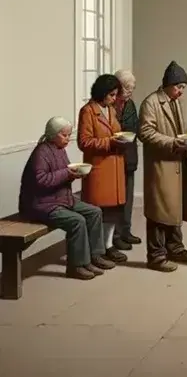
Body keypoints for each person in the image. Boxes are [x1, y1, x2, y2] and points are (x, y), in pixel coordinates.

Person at [19, 117, 115, 280]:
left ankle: (95, 255)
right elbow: (41, 181)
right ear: (53, 134)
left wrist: (73, 175)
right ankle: (76, 266)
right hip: (41, 204)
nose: (68, 138)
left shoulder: (59, 149)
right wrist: (67, 174)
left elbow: (64, 173)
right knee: (77, 221)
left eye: (69, 135)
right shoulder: (41, 153)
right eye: (64, 135)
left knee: (94, 212)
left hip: (60, 198)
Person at [138, 61, 187, 272]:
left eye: (183, 88)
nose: (181, 92)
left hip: (177, 162)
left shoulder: (176, 102)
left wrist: (184, 141)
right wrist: (172, 142)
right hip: (161, 165)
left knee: (175, 206)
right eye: (178, 87)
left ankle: (175, 247)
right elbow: (145, 132)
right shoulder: (151, 103)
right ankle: (156, 256)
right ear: (168, 84)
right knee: (159, 210)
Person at [77, 73, 128, 264]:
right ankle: (96, 251)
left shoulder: (111, 110)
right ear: (102, 92)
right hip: (99, 169)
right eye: (112, 95)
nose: (114, 99)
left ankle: (108, 246)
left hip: (115, 167)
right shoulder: (88, 111)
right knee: (98, 212)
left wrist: (120, 139)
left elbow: (115, 131)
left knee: (113, 211)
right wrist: (110, 142)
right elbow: (84, 142)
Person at [112, 69, 142, 250]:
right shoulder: (109, 104)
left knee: (128, 196)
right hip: (114, 155)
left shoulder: (130, 104)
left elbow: (135, 126)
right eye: (127, 87)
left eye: (132, 88)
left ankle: (125, 230)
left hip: (129, 154)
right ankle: (115, 235)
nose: (130, 91)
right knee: (116, 197)